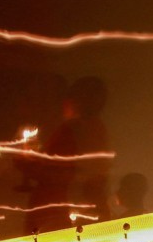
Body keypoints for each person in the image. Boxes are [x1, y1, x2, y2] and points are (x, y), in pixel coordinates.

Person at [18, 76, 112, 232]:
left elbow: (57, 173)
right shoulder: (97, 129)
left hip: (58, 211)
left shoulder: (72, 130)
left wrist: (26, 163)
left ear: (74, 101)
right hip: (87, 206)